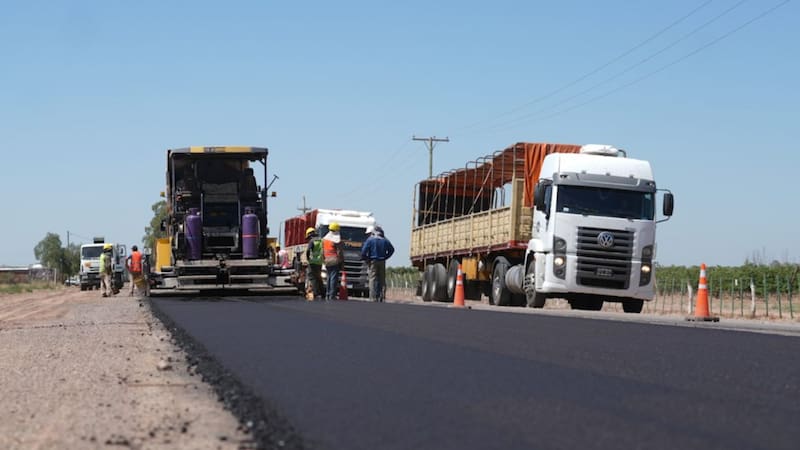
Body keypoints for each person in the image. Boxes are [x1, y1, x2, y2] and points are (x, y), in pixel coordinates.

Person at [361, 225, 395, 302]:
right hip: (382, 261)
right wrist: (386, 257)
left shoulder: (370, 240)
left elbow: (363, 251)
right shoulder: (385, 240)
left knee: (373, 278)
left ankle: (373, 297)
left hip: (373, 261)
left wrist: (366, 258)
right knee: (382, 279)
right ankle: (382, 296)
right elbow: (392, 249)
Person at [322, 222, 344, 300]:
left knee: (328, 277)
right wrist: (341, 262)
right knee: (333, 278)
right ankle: (332, 295)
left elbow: (322, 251)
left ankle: (328, 294)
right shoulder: (336, 240)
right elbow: (339, 252)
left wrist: (323, 260)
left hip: (327, 260)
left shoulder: (325, 239)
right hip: (334, 260)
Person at [305, 227, 324, 299]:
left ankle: (316, 293)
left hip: (312, 262)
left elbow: (308, 250)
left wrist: (308, 258)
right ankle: (323, 293)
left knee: (312, 278)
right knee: (319, 278)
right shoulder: (321, 240)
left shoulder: (311, 241)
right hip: (319, 262)